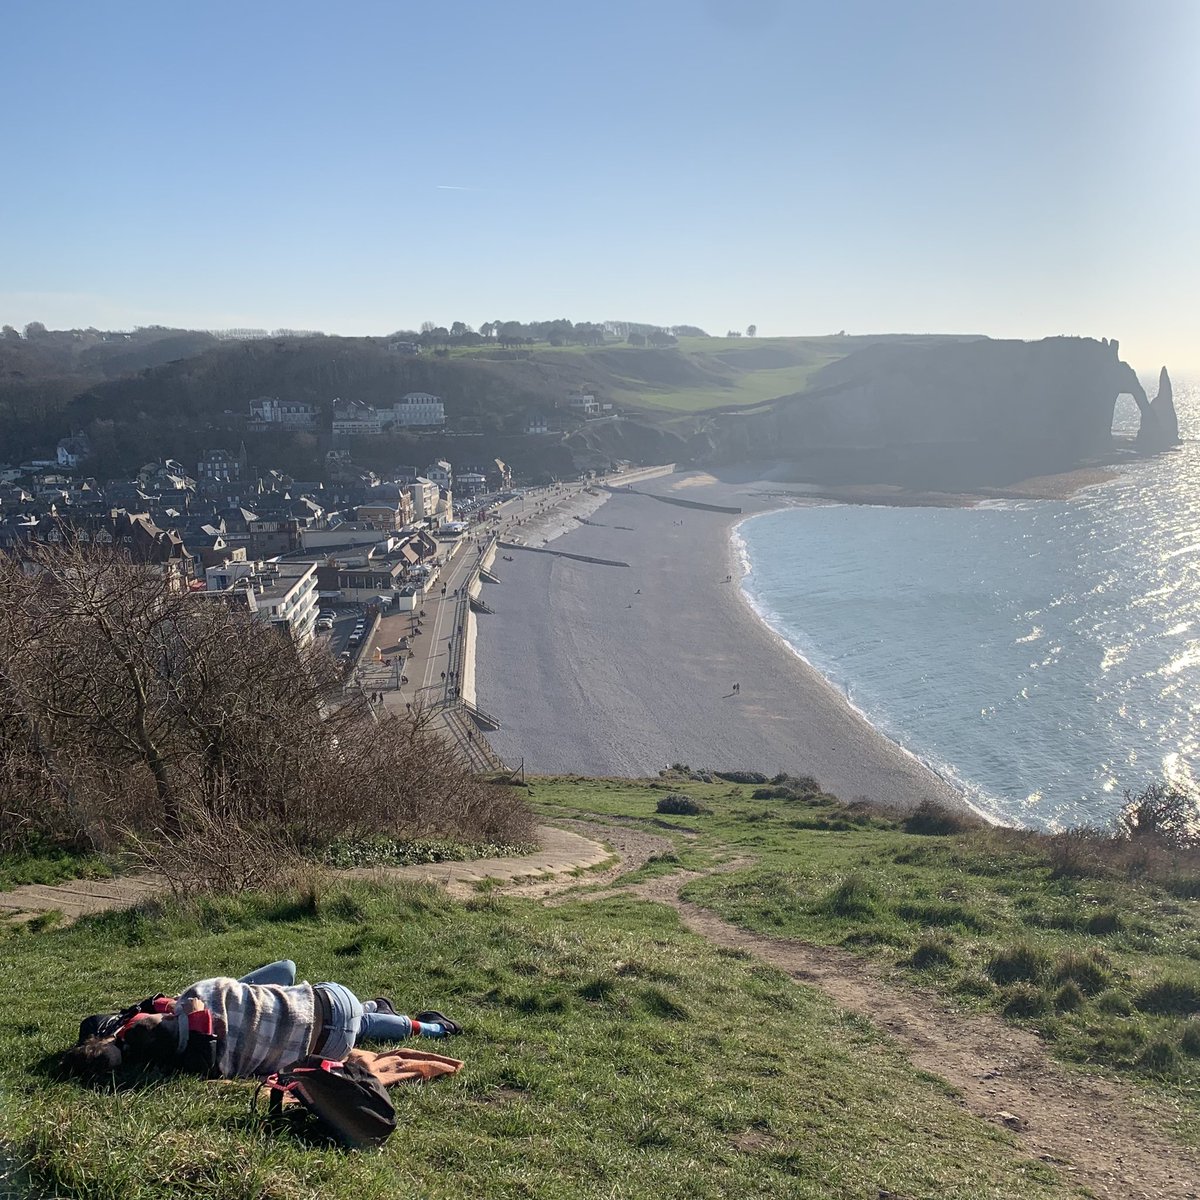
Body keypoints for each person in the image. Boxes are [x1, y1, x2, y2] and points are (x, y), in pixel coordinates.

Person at [61, 960, 461, 1081]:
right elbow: (284, 970)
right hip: (334, 1000)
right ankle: (391, 1013)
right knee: (287, 975)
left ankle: (430, 1028)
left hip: (332, 1047)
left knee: (356, 1025)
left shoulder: (204, 1065)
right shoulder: (202, 992)